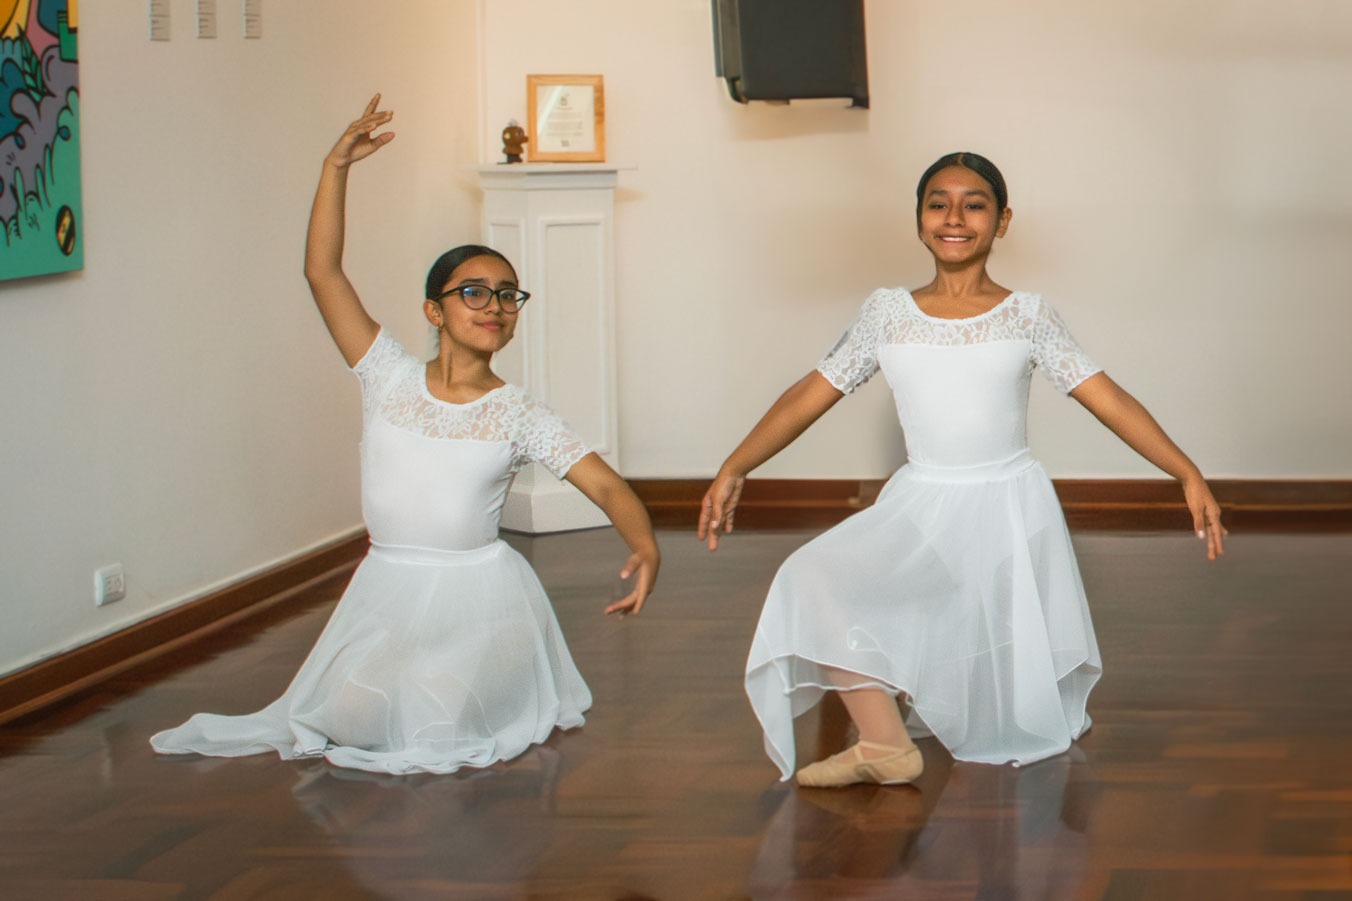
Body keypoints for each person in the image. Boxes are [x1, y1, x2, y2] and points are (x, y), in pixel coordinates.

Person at [152, 95, 660, 775]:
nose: (495, 305)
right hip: (387, 589)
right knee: (354, 726)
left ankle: (477, 678)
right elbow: (322, 272)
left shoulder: (518, 412)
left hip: (481, 599)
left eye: (508, 294)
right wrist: (337, 165)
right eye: (474, 291)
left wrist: (646, 544)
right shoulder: (385, 373)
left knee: (436, 730)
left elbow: (603, 481)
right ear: (435, 309)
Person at [699, 152, 1225, 788]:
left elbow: (1105, 396)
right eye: (937, 203)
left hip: (1006, 504)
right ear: (919, 219)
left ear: (1001, 222)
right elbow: (812, 391)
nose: (954, 217)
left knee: (971, 636)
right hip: (922, 497)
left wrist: (1185, 471)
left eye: (974, 204)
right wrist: (736, 466)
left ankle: (915, 710)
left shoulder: (1027, 314)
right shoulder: (886, 313)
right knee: (811, 577)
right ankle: (883, 742)